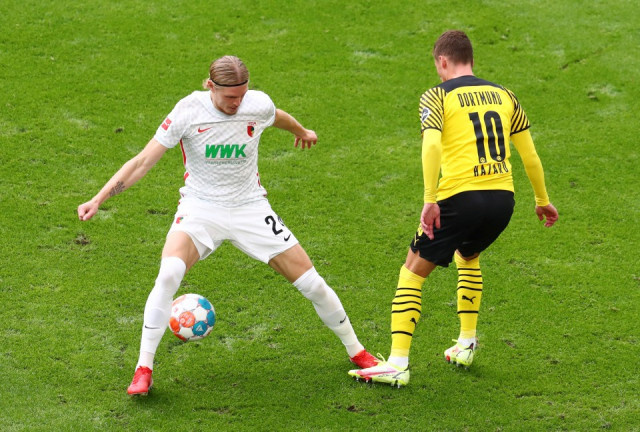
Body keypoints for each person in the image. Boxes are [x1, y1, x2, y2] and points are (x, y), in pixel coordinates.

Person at [77, 55, 378, 396]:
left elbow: (276, 116)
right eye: (230, 97)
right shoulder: (188, 111)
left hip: (251, 208)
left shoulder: (256, 104)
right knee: (169, 273)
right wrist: (99, 199)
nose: (237, 103)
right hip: (200, 209)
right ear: (210, 86)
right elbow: (143, 161)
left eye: (242, 95)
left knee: (314, 284)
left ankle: (358, 352)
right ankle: (143, 369)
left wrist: (302, 131)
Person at [349, 31, 559, 387]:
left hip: (459, 199)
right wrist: (542, 200)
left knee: (412, 272)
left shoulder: (437, 95)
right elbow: (530, 155)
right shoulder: (506, 95)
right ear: (471, 59)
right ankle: (466, 342)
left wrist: (430, 198)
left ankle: (397, 363)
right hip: (502, 200)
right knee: (469, 255)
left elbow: (432, 147)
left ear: (443, 61)